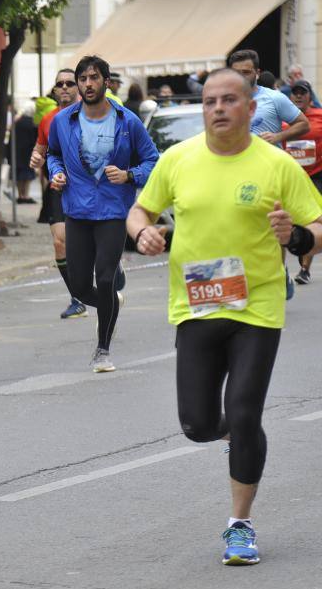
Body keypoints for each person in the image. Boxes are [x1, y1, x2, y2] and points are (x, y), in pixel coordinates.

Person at [127, 67, 322, 566]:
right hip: (196, 306)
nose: (218, 108)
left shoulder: (277, 165)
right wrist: (142, 233)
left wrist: (297, 238)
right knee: (195, 424)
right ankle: (231, 432)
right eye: (210, 100)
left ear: (251, 108)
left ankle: (240, 523)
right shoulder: (178, 160)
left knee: (244, 410)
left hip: (256, 306)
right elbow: (141, 210)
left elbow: (317, 225)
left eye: (229, 100)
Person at [47, 55, 159, 372]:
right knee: (81, 288)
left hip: (113, 210)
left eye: (93, 78)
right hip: (78, 210)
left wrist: (129, 175)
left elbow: (153, 161)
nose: (87, 84)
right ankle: (110, 302)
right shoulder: (63, 121)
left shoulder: (127, 121)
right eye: (82, 79)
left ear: (106, 82)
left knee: (106, 276)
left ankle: (102, 350)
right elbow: (53, 154)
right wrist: (56, 173)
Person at [228, 49, 310, 299]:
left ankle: (278, 271)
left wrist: (278, 136)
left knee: (273, 228)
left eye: (246, 72)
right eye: (236, 72)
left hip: (268, 172)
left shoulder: (274, 98)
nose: (241, 77)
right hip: (234, 172)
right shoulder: (226, 100)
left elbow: (303, 123)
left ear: (257, 73)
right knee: (238, 228)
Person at [31, 68, 87, 319]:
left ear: (79, 87)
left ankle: (109, 266)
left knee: (90, 239)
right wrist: (35, 158)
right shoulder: (48, 120)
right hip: (56, 185)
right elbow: (40, 149)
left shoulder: (92, 114)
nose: (64, 87)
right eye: (59, 84)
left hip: (87, 185)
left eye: (69, 83)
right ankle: (77, 298)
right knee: (59, 242)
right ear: (54, 90)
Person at [284, 79, 322, 284]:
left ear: (309, 96)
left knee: (313, 220)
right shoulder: (284, 120)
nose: (298, 96)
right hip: (292, 177)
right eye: (295, 92)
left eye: (302, 92)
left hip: (316, 176)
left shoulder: (319, 116)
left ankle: (304, 270)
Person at [10, 101, 38, 203]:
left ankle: (20, 195)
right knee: (27, 176)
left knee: (19, 176)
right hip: (27, 153)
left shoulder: (16, 122)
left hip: (17, 153)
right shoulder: (32, 123)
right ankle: (26, 195)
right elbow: (34, 140)